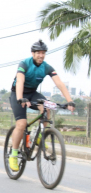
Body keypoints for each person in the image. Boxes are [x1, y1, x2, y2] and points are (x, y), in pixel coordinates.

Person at [8, 39, 75, 171]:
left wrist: (69, 100)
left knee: (47, 108)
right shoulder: (24, 64)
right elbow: (20, 80)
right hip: (18, 94)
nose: (41, 55)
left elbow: (59, 83)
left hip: (33, 93)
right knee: (21, 124)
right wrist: (21, 98)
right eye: (38, 53)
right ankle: (14, 154)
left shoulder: (47, 67)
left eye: (43, 53)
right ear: (33, 53)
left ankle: (40, 136)